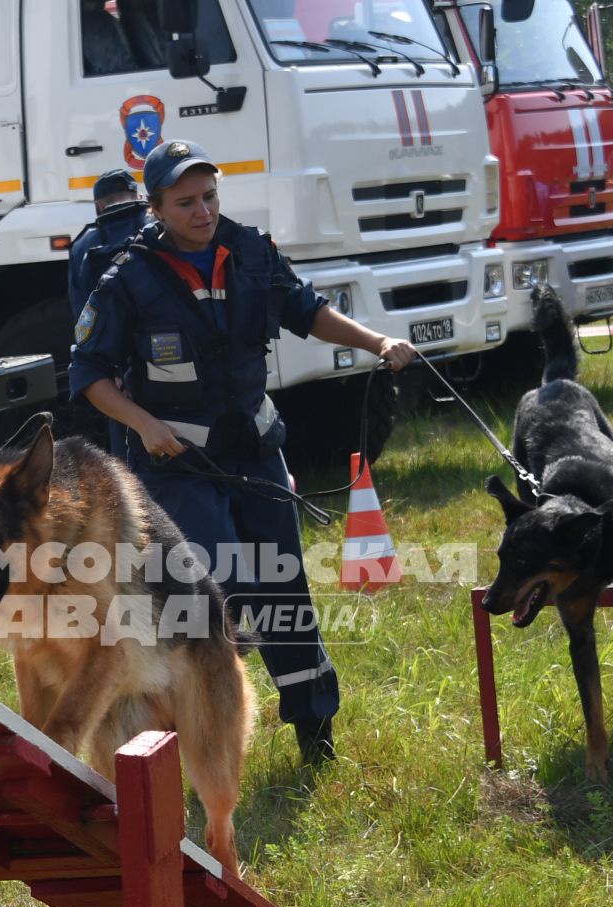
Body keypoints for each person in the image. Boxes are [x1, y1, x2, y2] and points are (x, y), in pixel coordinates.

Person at [68, 138, 416, 767]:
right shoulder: (128, 279)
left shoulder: (250, 252)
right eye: (185, 202)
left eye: (209, 196)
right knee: (219, 587)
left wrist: (377, 340)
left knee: (282, 589)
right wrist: (144, 423)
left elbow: (307, 311)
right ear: (156, 209)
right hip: (179, 469)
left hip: (255, 456)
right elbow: (87, 374)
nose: (202, 212)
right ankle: (197, 735)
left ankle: (315, 730)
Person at [67, 168, 146, 319]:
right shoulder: (159, 226)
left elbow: (79, 305)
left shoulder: (81, 246)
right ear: (136, 196)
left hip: (109, 337)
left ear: (100, 205)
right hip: (161, 335)